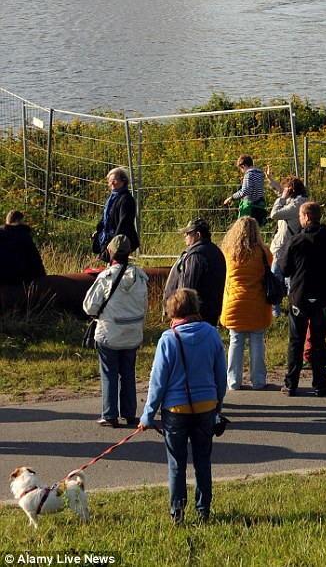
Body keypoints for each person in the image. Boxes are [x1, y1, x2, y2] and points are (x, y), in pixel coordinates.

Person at [141, 287, 228, 525]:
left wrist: (148, 415)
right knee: (203, 462)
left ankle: (177, 514)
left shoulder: (168, 339)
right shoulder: (212, 334)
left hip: (175, 410)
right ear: (196, 307)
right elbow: (221, 377)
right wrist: (217, 405)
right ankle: (203, 512)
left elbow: (158, 383)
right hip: (206, 407)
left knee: (177, 465)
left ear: (172, 311)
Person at [275, 201, 326, 397]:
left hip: (299, 297)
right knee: (318, 341)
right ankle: (320, 383)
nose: (299, 219)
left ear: (306, 217)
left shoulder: (296, 240)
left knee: (295, 341)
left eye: (300, 216)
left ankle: (291, 384)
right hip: (323, 298)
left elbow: (284, 269)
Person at [83, 234, 149, 428]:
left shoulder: (106, 277)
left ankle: (110, 414)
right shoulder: (140, 277)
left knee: (109, 373)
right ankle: (129, 413)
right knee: (128, 373)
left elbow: (89, 306)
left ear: (110, 252)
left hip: (109, 333)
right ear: (130, 252)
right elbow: (144, 306)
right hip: (133, 333)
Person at [220, 216, 273, 391]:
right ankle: (258, 381)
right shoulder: (264, 253)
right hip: (257, 303)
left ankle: (233, 381)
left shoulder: (228, 253)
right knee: (257, 340)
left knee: (235, 341)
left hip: (234, 304)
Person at [164, 219, 227, 327]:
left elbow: (186, 290)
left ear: (198, 235)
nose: (185, 235)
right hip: (212, 311)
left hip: (195, 315)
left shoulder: (196, 255)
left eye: (188, 233)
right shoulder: (216, 251)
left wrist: (178, 311)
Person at [265, 170, 308, 319]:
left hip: (283, 248)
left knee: (278, 279)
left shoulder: (296, 206)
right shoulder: (299, 201)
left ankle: (279, 311)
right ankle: (291, 309)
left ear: (291, 191)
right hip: (288, 247)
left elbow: (275, 214)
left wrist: (282, 197)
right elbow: (281, 193)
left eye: (286, 189)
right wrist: (271, 180)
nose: (283, 192)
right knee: (288, 279)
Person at [92, 168, 139, 263]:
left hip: (122, 241)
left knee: (117, 265)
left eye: (115, 180)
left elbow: (124, 222)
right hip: (108, 238)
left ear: (123, 181)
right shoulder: (112, 198)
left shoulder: (126, 199)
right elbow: (107, 217)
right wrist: (99, 231)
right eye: (110, 180)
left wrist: (114, 241)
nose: (112, 183)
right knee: (108, 263)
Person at [0, 210, 46, 285]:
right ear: (18, 221)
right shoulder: (23, 234)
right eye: (23, 220)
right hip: (20, 277)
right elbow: (34, 257)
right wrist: (42, 276)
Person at [222, 154, 267, 225]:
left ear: (244, 166)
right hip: (259, 206)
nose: (242, 171)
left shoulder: (248, 174)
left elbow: (245, 191)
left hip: (250, 208)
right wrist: (245, 182)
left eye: (241, 168)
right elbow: (254, 187)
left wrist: (232, 197)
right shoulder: (260, 174)